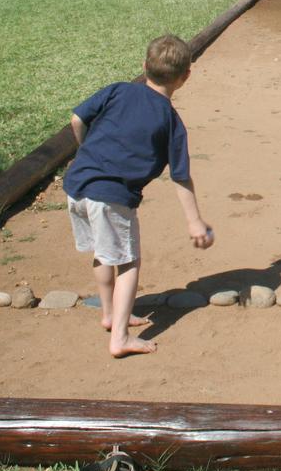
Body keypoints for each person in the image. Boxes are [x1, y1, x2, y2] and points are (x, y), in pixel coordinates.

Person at [64, 34, 214, 358]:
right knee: (129, 262)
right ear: (185, 77)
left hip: (77, 188)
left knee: (104, 254)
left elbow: (77, 118)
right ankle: (120, 337)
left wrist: (85, 151)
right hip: (112, 197)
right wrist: (195, 221)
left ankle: (109, 313)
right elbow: (181, 176)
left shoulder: (118, 90)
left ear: (144, 66)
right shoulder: (171, 121)